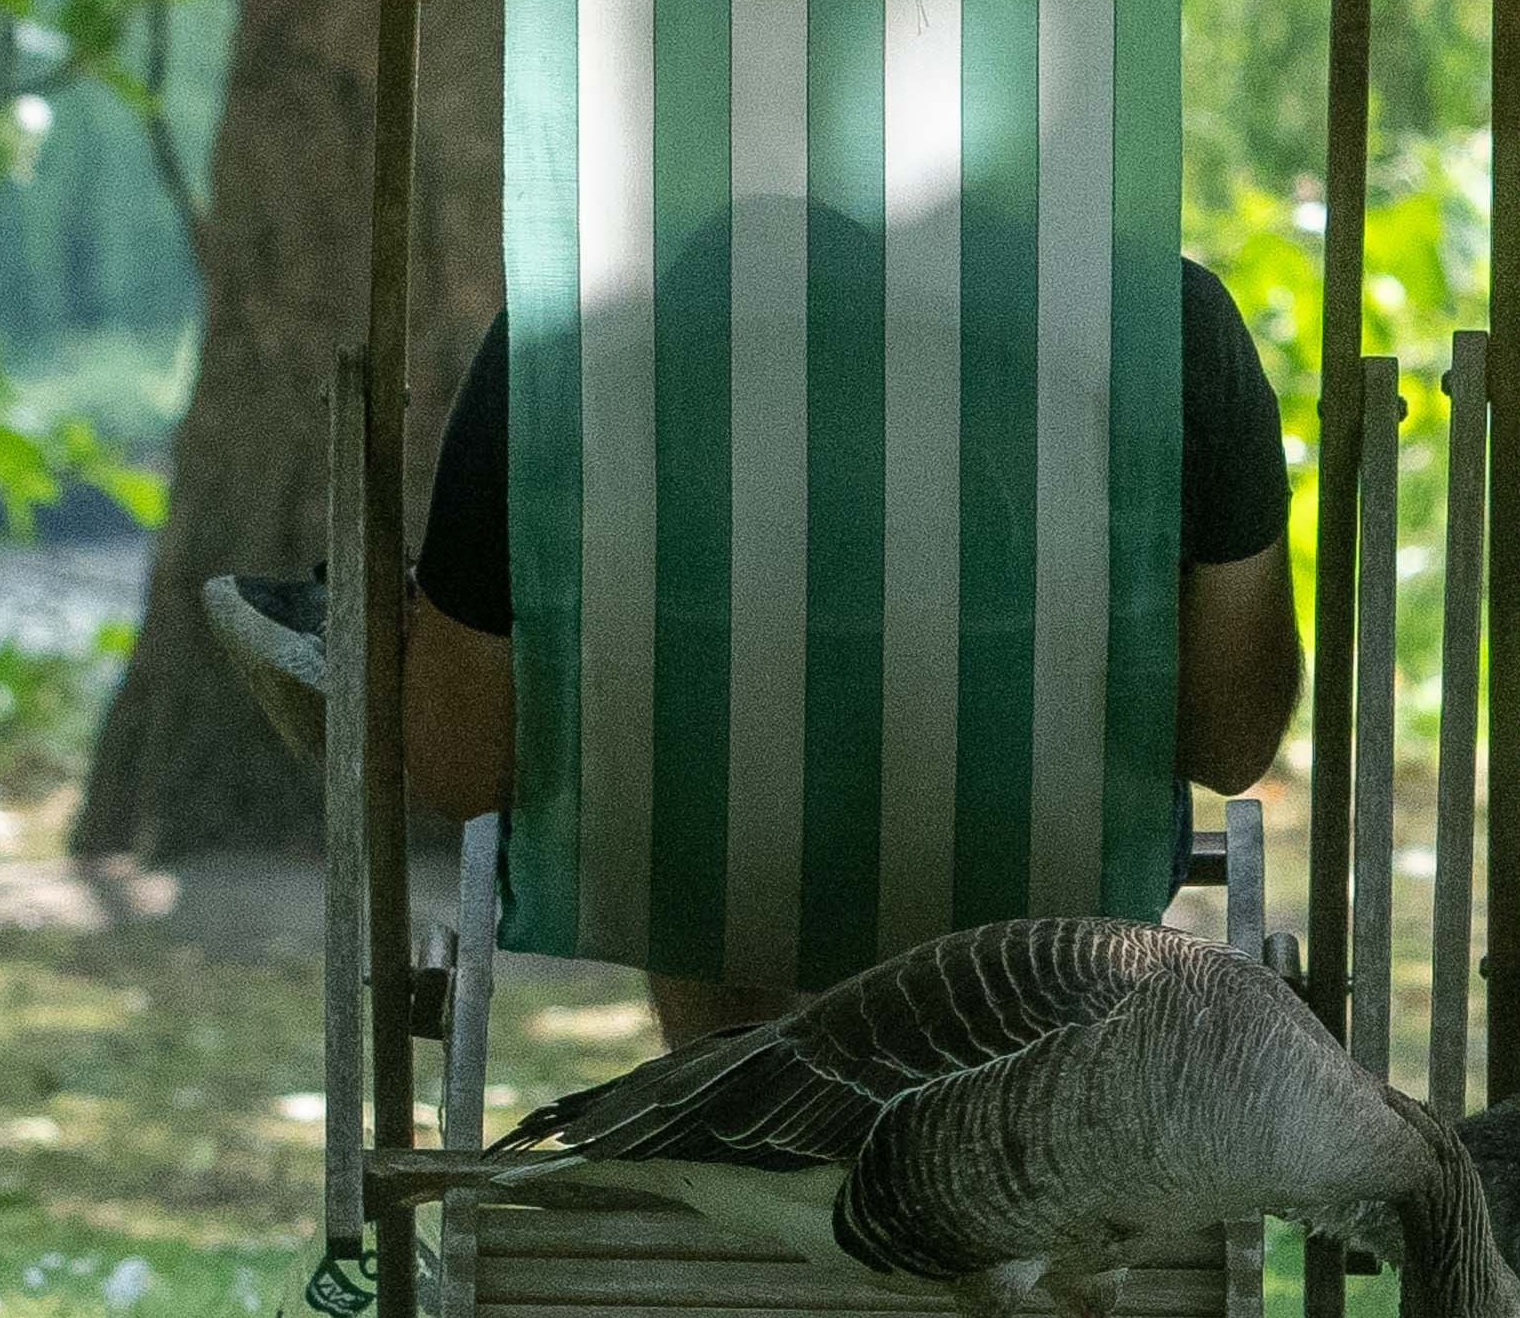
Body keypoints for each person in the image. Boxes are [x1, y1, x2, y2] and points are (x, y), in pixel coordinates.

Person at [396, 211, 1303, 1045]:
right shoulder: (1166, 334)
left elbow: (459, 761)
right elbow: (1229, 742)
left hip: (714, 936)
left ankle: (737, 1112)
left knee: (719, 824)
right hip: (1040, 988)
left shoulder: (571, 352)